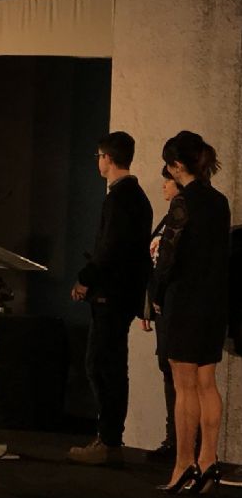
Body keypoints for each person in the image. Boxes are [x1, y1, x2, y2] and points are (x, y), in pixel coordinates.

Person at [150, 131, 229, 493]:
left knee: (184, 387)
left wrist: (156, 293)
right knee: (207, 384)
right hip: (214, 302)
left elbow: (168, 257)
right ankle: (209, 461)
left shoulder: (183, 201)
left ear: (177, 165)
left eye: (168, 165)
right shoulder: (219, 201)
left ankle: (184, 464)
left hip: (185, 302)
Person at [68, 131, 153, 465]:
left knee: (101, 365)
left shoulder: (119, 198)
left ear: (107, 157)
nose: (98, 163)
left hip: (111, 294)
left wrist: (85, 279)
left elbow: (110, 249)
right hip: (123, 294)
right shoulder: (137, 197)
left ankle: (108, 441)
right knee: (112, 365)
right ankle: (110, 440)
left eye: (99, 156)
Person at [141, 166, 182, 460]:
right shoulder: (169, 217)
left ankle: (181, 441)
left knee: (180, 374)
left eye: (168, 179)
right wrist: (148, 305)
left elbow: (169, 263)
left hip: (175, 307)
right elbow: (155, 265)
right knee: (168, 371)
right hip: (162, 308)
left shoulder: (182, 216)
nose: (163, 185)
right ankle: (173, 439)